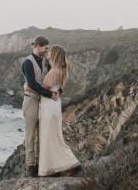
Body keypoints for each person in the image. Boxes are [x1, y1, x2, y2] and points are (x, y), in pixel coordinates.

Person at [38, 45, 81, 177]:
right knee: (53, 136)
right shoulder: (61, 70)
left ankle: (72, 164)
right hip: (54, 105)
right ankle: (53, 167)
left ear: (54, 54)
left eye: (50, 51)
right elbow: (57, 89)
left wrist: (28, 87)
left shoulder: (53, 72)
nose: (47, 52)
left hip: (49, 106)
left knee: (50, 136)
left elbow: (44, 89)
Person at [22, 36, 59, 177]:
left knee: (41, 134)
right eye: (45, 48)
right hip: (31, 101)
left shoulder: (44, 61)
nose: (47, 50)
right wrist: (49, 94)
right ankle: (30, 167)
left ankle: (40, 165)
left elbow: (51, 79)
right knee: (30, 135)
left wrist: (56, 91)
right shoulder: (27, 62)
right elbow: (31, 83)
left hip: (43, 102)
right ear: (37, 47)